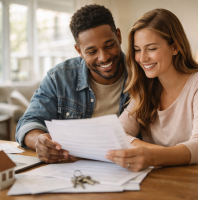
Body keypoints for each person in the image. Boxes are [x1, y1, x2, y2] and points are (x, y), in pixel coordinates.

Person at [105, 9, 198, 171]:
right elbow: (116, 133)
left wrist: (152, 155)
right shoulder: (145, 88)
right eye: (137, 49)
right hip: (173, 178)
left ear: (175, 47)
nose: (142, 58)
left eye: (151, 48)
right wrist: (159, 154)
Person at [16, 4, 129, 163]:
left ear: (119, 35)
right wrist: (39, 141)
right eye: (92, 51)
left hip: (126, 167)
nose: (103, 57)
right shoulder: (59, 78)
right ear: (79, 51)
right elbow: (28, 123)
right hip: (74, 168)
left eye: (109, 45)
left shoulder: (142, 74)